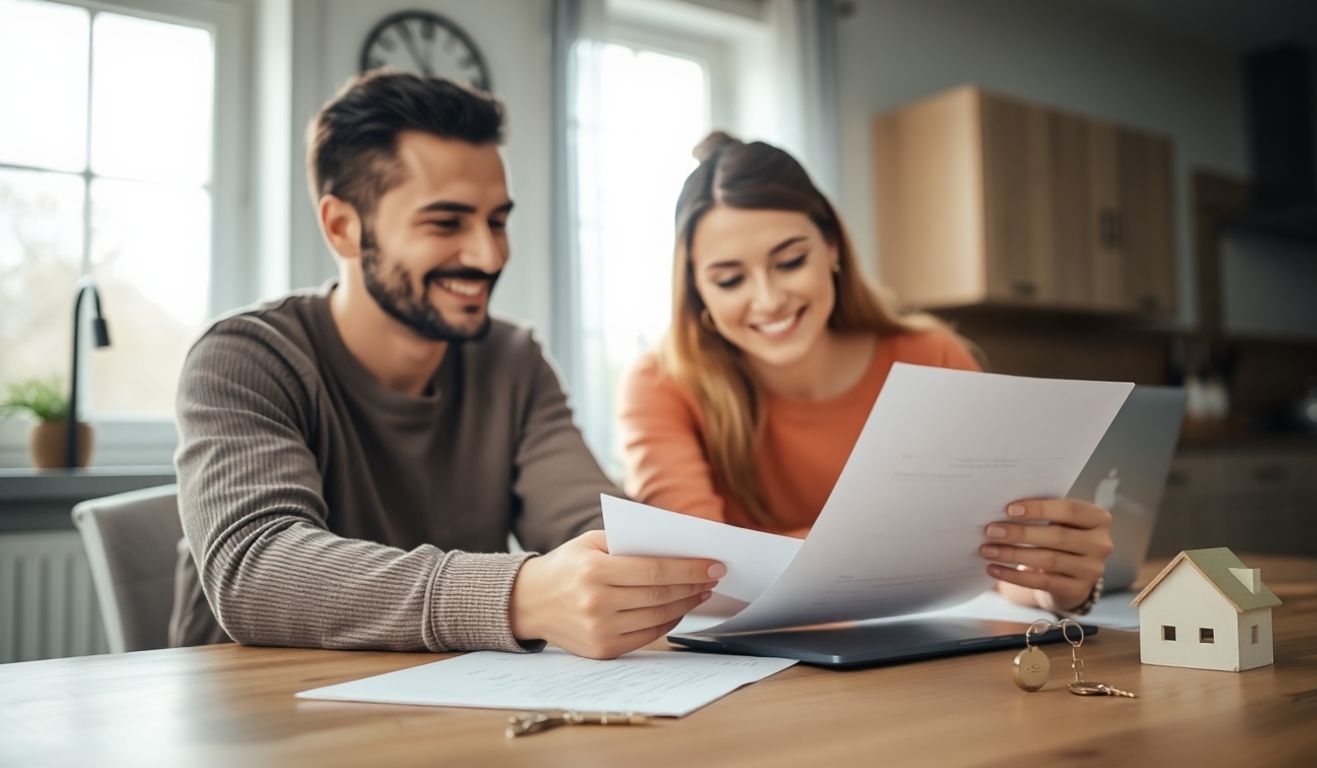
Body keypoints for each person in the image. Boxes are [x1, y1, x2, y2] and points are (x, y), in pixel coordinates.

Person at [170, 71, 723, 660]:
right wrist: (519, 596)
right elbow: (256, 568)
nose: (489, 255)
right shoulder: (243, 358)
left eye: (497, 221)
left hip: (447, 714)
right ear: (343, 227)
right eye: (446, 223)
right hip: (259, 717)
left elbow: (587, 520)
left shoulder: (513, 362)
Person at [618, 132, 1111, 614]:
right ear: (697, 289)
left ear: (832, 246)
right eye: (729, 279)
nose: (768, 300)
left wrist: (1052, 582)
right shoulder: (658, 385)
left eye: (790, 261)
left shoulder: (933, 356)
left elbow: (997, 558)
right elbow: (688, 574)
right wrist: (903, 544)